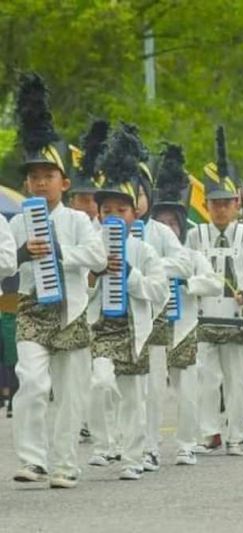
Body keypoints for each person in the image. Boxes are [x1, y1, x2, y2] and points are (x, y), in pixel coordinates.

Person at [10, 73, 104, 489]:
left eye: (48, 175)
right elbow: (2, 264)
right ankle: (33, 460)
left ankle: (65, 462)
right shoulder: (18, 221)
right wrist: (20, 254)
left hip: (73, 310)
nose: (39, 182)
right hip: (32, 309)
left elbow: (99, 258)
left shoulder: (80, 220)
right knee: (30, 382)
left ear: (65, 183)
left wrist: (63, 255)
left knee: (71, 392)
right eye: (33, 176)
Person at [89, 124, 168, 481]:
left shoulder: (145, 249)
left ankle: (133, 456)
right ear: (98, 213)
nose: (114, 217)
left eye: (122, 210)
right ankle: (105, 445)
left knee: (133, 393)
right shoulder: (91, 244)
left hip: (133, 328)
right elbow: (79, 286)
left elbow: (159, 292)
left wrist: (130, 275)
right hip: (99, 326)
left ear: (134, 214)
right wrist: (95, 272)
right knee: (100, 384)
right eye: (108, 210)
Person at [188, 127, 243, 456]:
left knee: (237, 378)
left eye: (226, 203)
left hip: (237, 317)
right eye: (215, 204)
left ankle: (236, 433)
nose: (221, 209)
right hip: (206, 316)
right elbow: (188, 269)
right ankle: (210, 432)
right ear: (206, 204)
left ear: (237, 203)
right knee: (207, 377)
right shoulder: (196, 236)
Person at [150, 142, 222, 466]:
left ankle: (187, 443)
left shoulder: (192, 256)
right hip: (153, 327)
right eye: (161, 222)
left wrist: (187, 284)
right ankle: (149, 445)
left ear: (180, 224)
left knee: (187, 389)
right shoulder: (147, 255)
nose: (167, 228)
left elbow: (214, 282)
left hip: (185, 326)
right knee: (151, 388)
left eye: (172, 223)